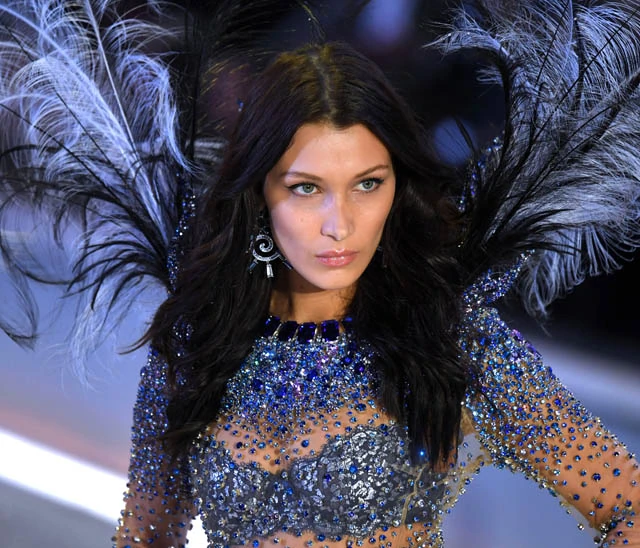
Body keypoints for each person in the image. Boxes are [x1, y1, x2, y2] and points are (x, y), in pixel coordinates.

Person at [0, 1, 638, 548]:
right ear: (259, 195)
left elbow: (627, 507)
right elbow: (146, 536)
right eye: (306, 188)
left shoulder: (452, 339)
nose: (341, 224)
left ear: (398, 189)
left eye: (368, 184)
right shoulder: (199, 343)